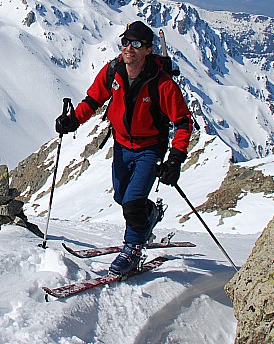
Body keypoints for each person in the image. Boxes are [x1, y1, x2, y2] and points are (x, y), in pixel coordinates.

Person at [55, 20, 193, 275]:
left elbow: (183, 122)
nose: (129, 48)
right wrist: (72, 121)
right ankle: (149, 214)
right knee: (122, 197)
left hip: (150, 148)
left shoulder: (162, 83)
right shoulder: (113, 72)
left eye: (136, 44)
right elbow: (93, 99)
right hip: (121, 144)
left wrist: (175, 158)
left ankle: (132, 249)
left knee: (131, 202)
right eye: (125, 42)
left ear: (148, 50)